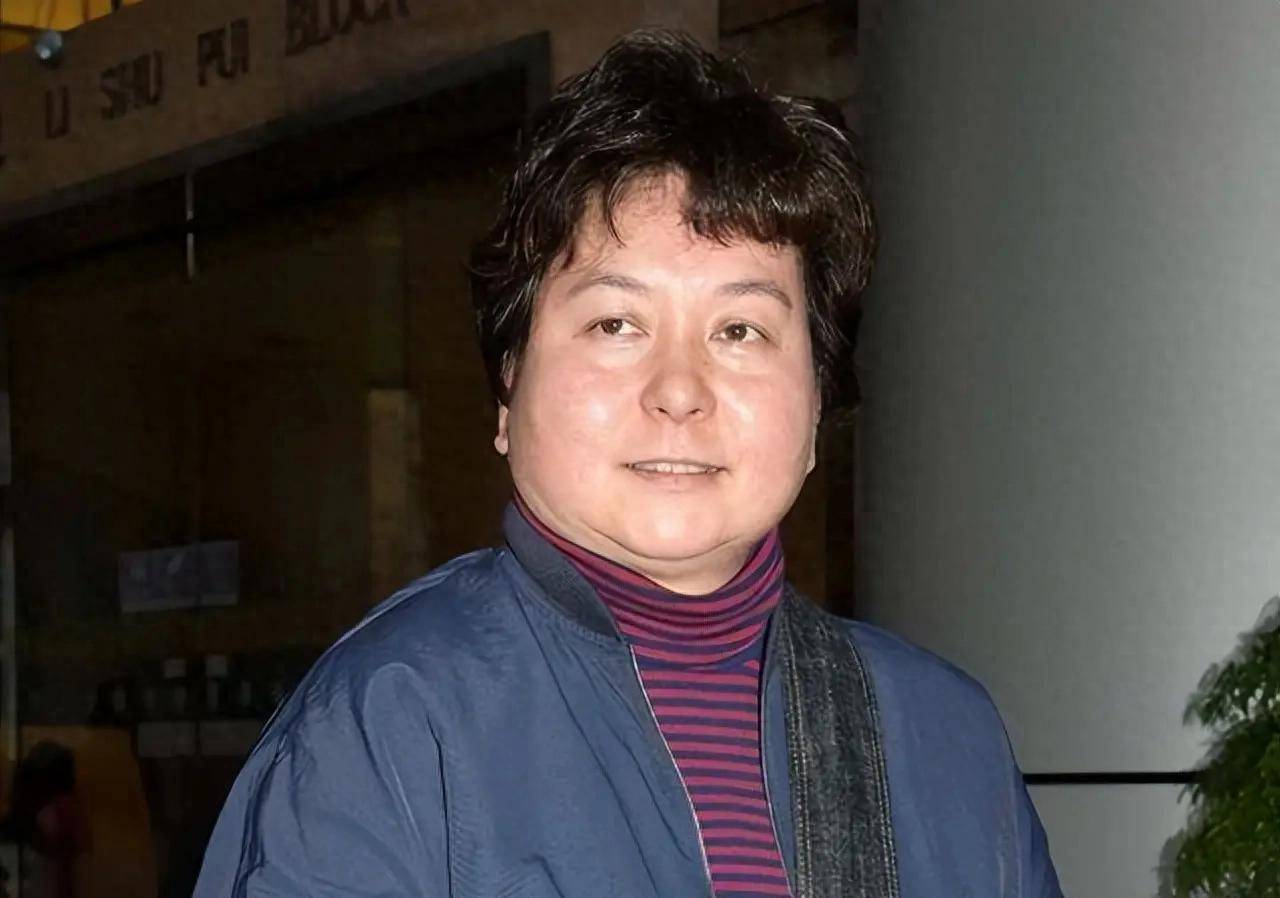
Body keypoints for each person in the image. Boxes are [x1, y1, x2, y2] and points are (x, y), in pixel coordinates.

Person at [195, 29, 1062, 898]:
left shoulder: (944, 735)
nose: (679, 390)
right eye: (616, 324)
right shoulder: (389, 726)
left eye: (740, 330)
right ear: (508, 389)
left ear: (815, 404)